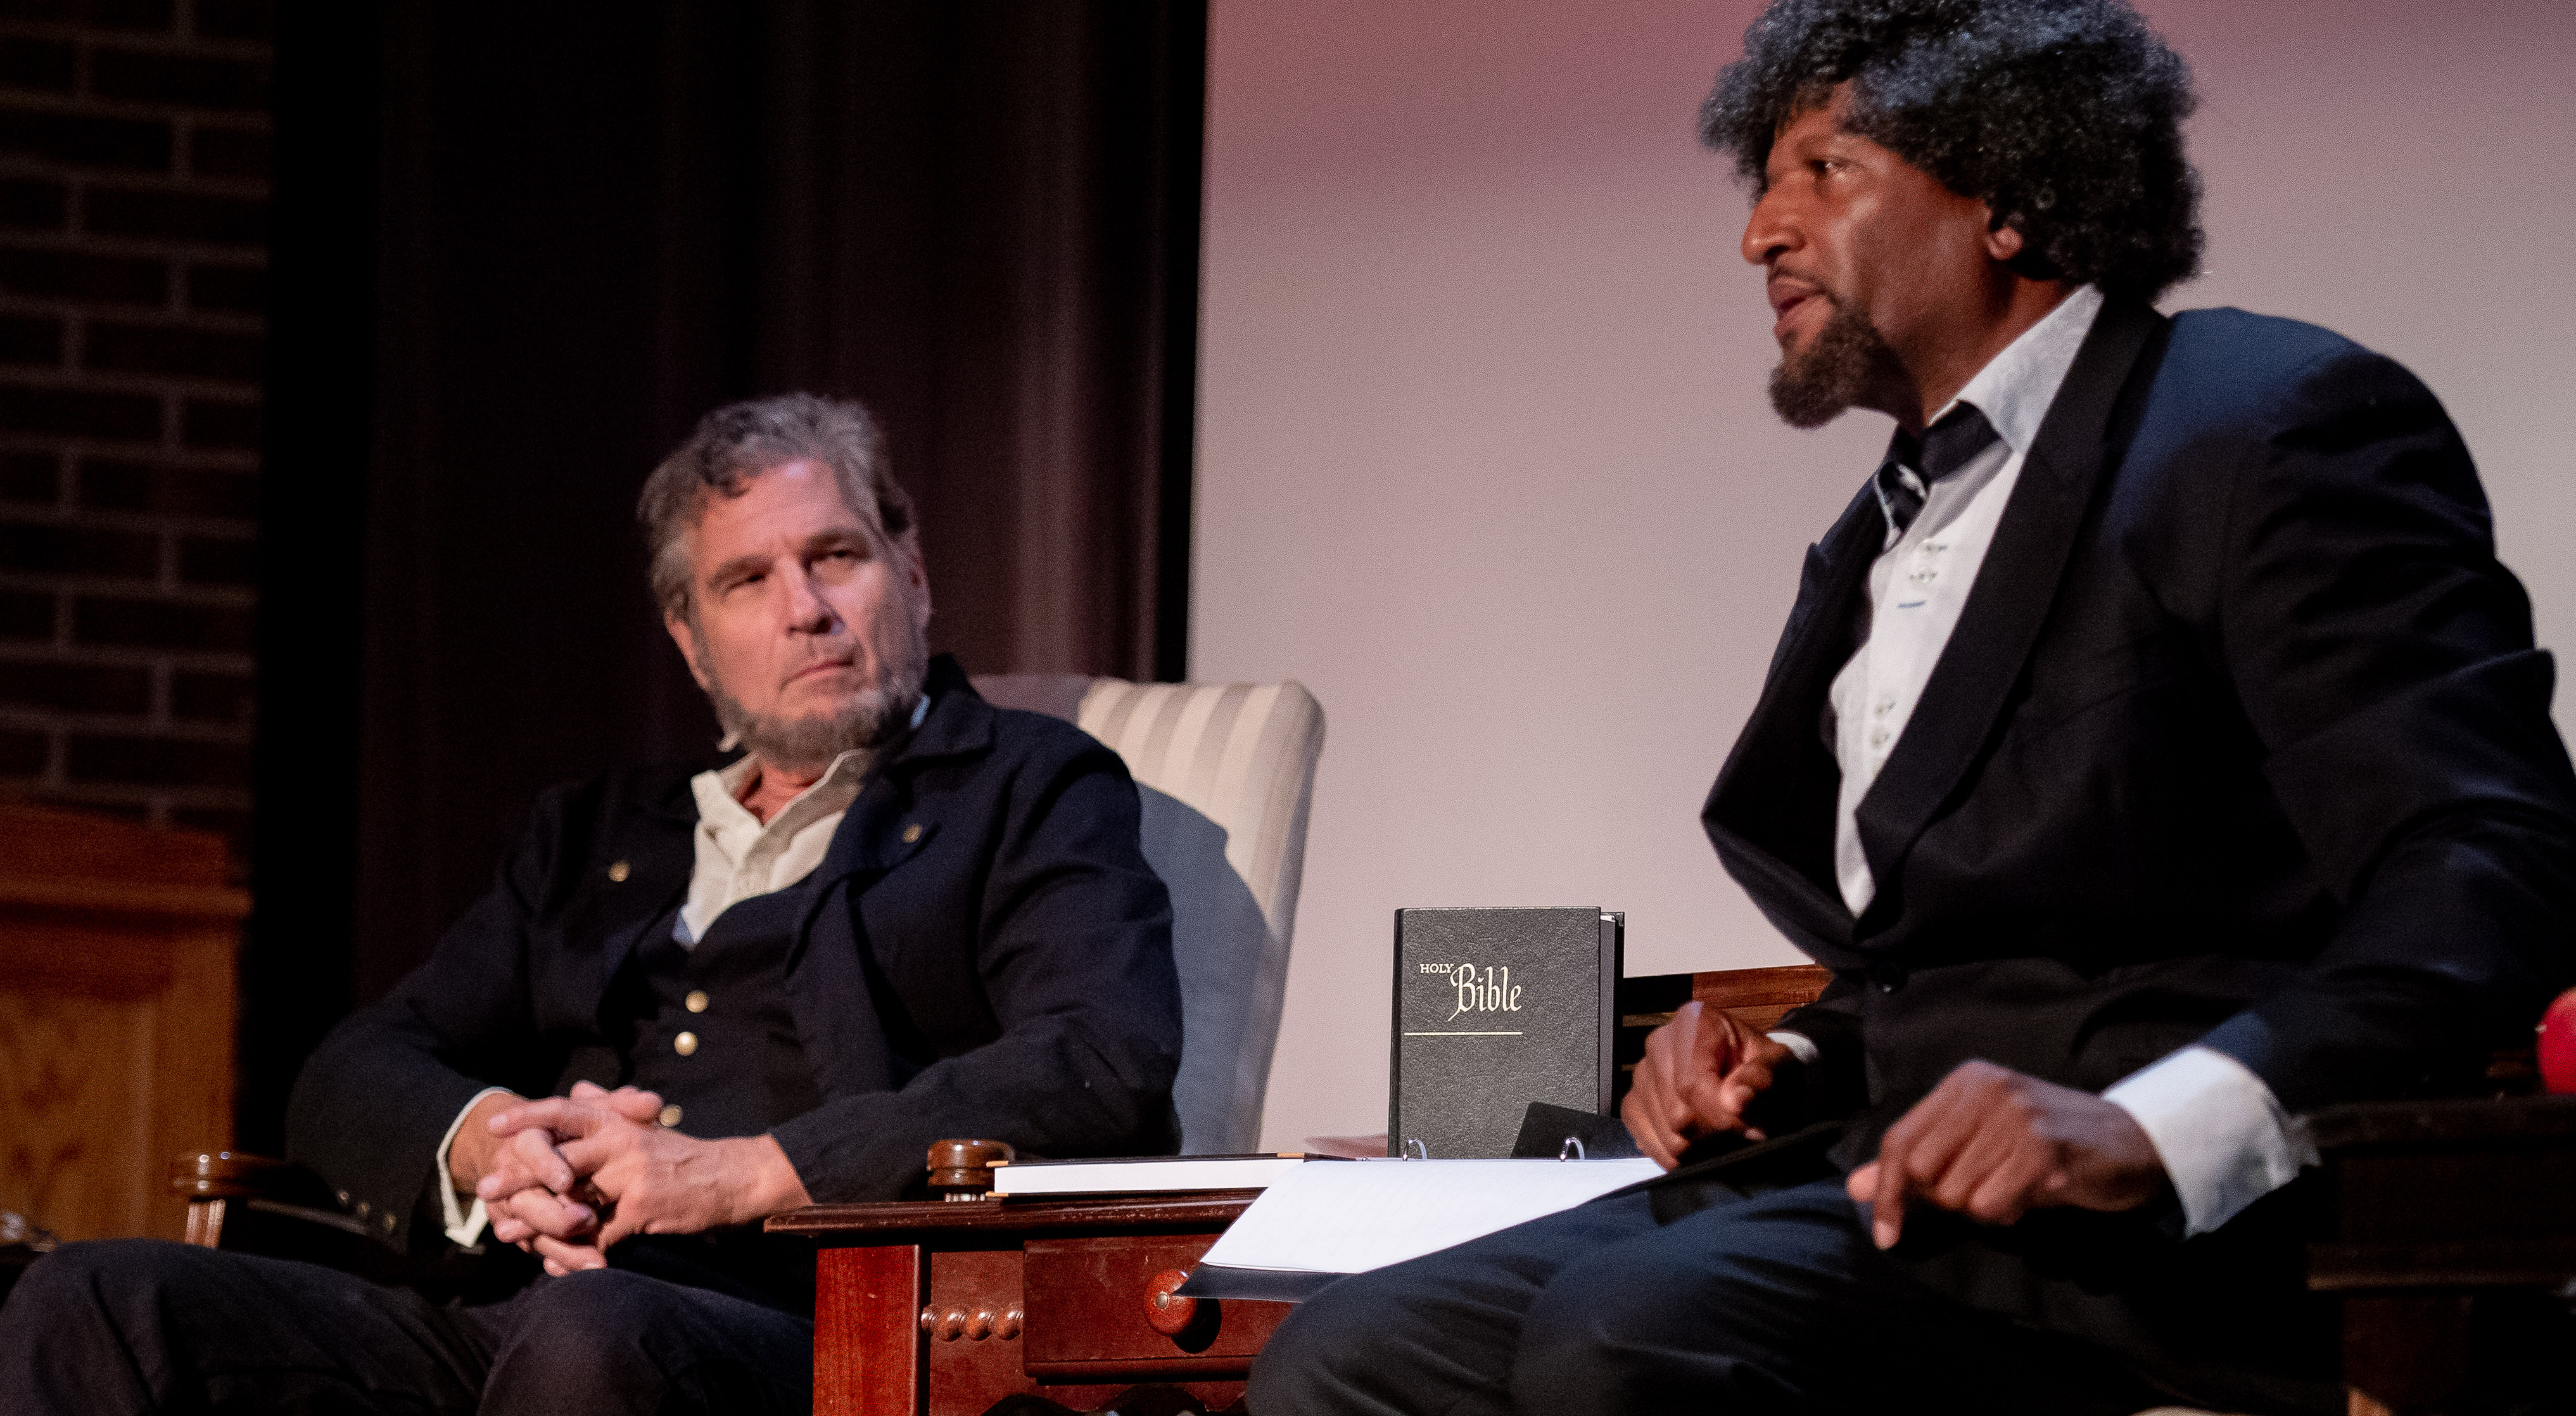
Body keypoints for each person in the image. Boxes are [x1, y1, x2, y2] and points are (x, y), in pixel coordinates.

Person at [1249, 2, 2576, 1412]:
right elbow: (1957, 954)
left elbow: (2491, 866)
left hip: (2183, 1229)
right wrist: (1795, 1056)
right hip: (1896, 1193)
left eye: (1826, 170)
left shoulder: (2265, 426)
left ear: (2008, 193)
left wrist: (2151, 1125)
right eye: (1763, 182)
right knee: (1345, 1354)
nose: (1761, 232)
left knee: (1635, 1326)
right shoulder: (1881, 536)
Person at [0, 393, 1184, 1414]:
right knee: (91, 1301)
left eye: (836, 555)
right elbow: (356, 1067)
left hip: (815, 1339)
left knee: (595, 1338)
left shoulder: (1028, 785)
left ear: (911, 575)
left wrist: (740, 1171)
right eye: (746, 579)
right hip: (510, 1311)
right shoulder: (595, 835)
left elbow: (1099, 1056)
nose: (805, 609)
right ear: (690, 639)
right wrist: (489, 1147)